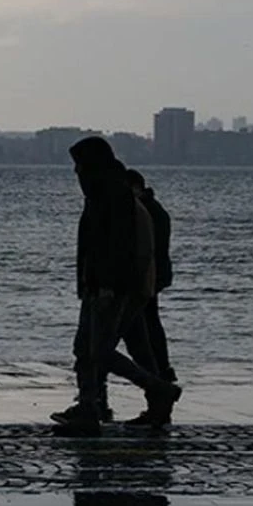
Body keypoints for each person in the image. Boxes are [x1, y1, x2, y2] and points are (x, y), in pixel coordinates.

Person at [52, 137, 181, 433]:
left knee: (98, 351)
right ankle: (88, 407)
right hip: (103, 286)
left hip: (109, 288)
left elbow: (113, 247)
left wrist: (106, 286)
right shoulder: (107, 193)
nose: (76, 173)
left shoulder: (111, 196)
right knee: (89, 348)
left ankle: (158, 389)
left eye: (79, 165)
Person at [127, 169, 175, 383]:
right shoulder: (155, 210)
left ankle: (157, 373)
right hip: (153, 275)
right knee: (150, 324)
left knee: (141, 328)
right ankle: (161, 369)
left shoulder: (142, 211)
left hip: (145, 276)